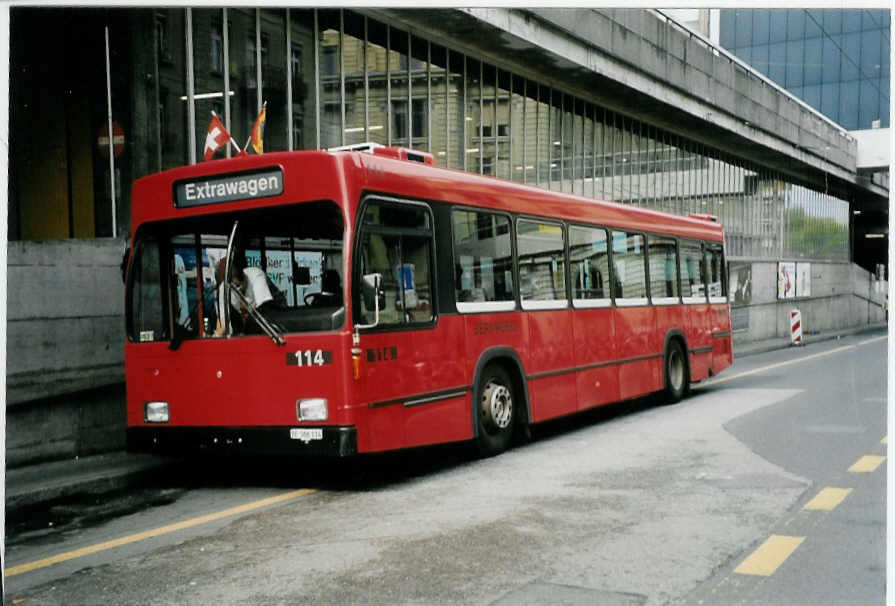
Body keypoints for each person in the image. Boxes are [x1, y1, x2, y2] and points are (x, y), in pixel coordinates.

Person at [214, 255, 274, 336]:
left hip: (275, 319)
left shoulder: (257, 276)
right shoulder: (223, 289)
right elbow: (223, 321)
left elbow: (264, 312)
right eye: (234, 286)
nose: (239, 289)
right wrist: (216, 336)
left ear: (243, 274)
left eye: (240, 284)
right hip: (247, 324)